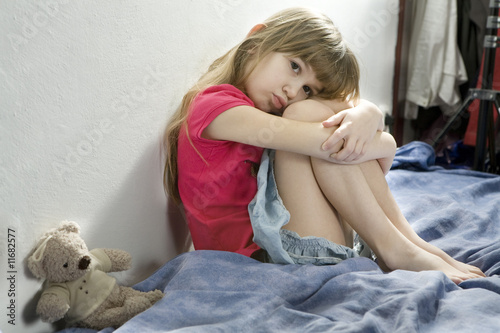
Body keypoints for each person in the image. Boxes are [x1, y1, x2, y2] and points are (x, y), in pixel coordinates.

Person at [163, 7, 484, 283]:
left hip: (298, 242)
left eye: (307, 88)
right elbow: (345, 145)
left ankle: (408, 242)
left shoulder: (271, 111)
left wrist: (366, 113)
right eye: (294, 66)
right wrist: (378, 131)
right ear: (256, 40)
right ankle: (395, 248)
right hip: (259, 260)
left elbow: (357, 145)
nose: (293, 90)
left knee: (325, 119)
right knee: (318, 121)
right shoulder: (215, 107)